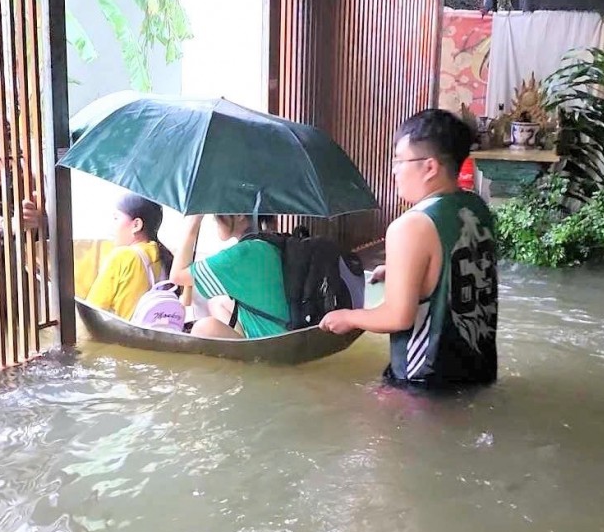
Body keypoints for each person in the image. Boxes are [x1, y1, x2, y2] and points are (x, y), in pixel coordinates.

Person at [319, 109, 498, 387]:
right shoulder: (476, 207)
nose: (394, 171)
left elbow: (397, 316)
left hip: (424, 380)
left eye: (400, 161)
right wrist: (400, 270)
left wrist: (349, 317)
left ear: (429, 167)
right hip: (479, 369)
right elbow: (457, 268)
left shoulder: (410, 226)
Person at [169, 213, 288, 339]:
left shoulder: (240, 255)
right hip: (292, 339)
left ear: (239, 215)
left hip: (273, 350)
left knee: (203, 328)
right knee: (218, 302)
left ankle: (243, 356)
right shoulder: (268, 242)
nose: (214, 217)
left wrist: (195, 220)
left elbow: (177, 276)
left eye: (218, 211)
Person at [84, 193, 175, 320]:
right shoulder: (163, 256)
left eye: (116, 218)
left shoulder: (122, 256)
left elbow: (91, 312)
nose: (112, 226)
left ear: (136, 225)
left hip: (120, 337)